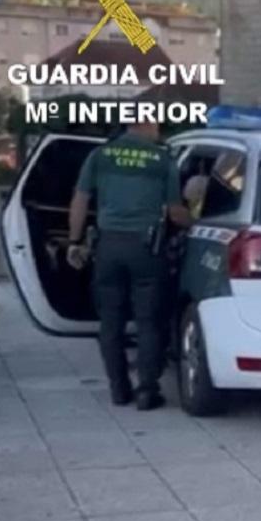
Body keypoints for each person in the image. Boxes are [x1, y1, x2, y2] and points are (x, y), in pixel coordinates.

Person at [66, 121, 191, 411]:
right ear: (144, 124)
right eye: (156, 124)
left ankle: (119, 390)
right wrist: (197, 222)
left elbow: (80, 201)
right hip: (146, 248)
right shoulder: (162, 159)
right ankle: (147, 391)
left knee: (111, 323)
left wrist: (74, 241)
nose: (159, 129)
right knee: (148, 321)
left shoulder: (100, 155)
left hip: (107, 247)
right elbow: (174, 212)